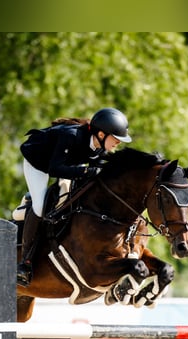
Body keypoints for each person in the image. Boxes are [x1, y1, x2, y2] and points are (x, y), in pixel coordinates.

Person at [16, 107, 132, 287]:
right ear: (101, 135)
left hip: (66, 162)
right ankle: (25, 263)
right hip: (38, 163)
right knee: (40, 206)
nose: (118, 143)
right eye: (116, 139)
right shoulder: (70, 136)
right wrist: (86, 171)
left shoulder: (99, 147)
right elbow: (55, 169)